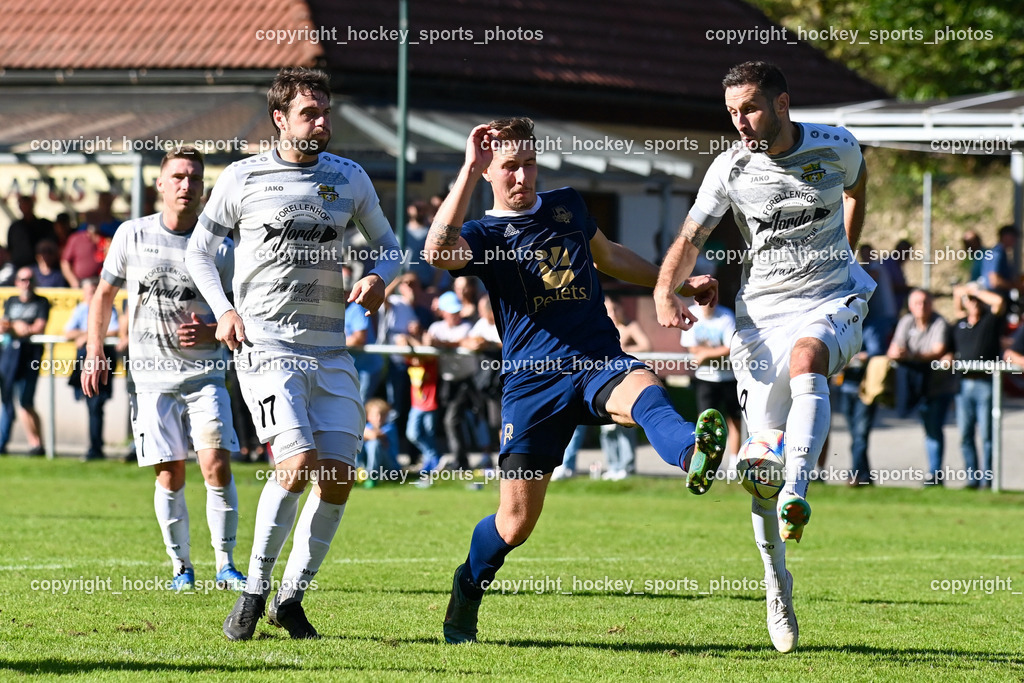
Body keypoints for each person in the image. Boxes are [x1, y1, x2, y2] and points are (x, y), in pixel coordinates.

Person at [424, 117, 725, 645]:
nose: (522, 177)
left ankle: (692, 451)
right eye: (509, 168)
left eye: (529, 164)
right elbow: (438, 254)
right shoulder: (484, 234)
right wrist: (467, 171)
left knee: (645, 387)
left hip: (595, 359)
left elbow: (609, 258)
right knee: (514, 525)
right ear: (491, 173)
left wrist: (673, 281)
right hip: (532, 386)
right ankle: (467, 586)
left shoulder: (568, 205)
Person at [654, 61, 873, 653]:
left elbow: (857, 187)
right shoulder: (730, 168)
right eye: (731, 112)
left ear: (782, 103)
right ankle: (777, 587)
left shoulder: (836, 146)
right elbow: (690, 238)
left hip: (832, 299)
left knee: (809, 360)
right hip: (758, 320)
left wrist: (846, 249)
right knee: (758, 473)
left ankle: (799, 489)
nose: (740, 122)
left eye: (749, 108)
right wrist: (662, 290)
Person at [186, 67, 403, 640]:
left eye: (326, 111)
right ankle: (253, 591)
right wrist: (225, 309)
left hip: (330, 350)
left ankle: (291, 598)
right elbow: (199, 253)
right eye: (310, 112)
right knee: (297, 464)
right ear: (279, 119)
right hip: (267, 345)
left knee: (338, 477)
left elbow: (390, 246)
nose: (322, 122)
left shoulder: (350, 177)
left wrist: (381, 277)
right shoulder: (243, 177)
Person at [82, 147, 245, 593]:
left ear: (203, 187)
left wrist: (212, 332)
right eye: (177, 177)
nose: (185, 185)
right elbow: (102, 296)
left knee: (215, 465)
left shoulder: (221, 246)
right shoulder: (131, 235)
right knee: (170, 473)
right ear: (160, 184)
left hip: (205, 376)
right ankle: (181, 568)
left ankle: (227, 565)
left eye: (193, 178)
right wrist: (96, 349)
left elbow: (241, 313)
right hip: (150, 380)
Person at [837, 244, 898, 486]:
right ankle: (865, 475)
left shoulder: (872, 326)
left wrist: (854, 357)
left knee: (860, 434)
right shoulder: (845, 323)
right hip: (847, 385)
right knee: (854, 434)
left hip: (865, 387)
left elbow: (875, 354)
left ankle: (858, 475)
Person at [886, 289, 956, 486]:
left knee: (934, 429)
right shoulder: (906, 322)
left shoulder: (939, 322)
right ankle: (934, 474)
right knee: (929, 429)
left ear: (931, 304)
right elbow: (894, 349)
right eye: (917, 303)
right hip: (915, 385)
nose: (921, 307)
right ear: (910, 305)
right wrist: (899, 353)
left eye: (925, 302)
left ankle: (935, 475)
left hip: (938, 386)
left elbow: (937, 350)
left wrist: (909, 354)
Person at [950, 283, 1005, 489]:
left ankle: (988, 479)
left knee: (987, 436)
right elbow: (957, 298)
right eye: (969, 301)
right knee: (965, 434)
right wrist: (963, 293)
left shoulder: (989, 322)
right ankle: (972, 479)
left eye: (975, 301)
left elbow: (998, 302)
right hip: (964, 385)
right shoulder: (961, 323)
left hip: (985, 384)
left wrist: (975, 291)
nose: (972, 303)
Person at [678, 300, 743, 466]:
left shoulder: (726, 316)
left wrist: (706, 354)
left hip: (728, 377)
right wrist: (716, 351)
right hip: (705, 379)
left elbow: (730, 347)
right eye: (702, 300)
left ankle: (734, 464)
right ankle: (705, 462)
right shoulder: (691, 314)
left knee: (734, 421)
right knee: (705, 423)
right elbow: (692, 347)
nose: (706, 304)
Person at [65, 277, 118, 461]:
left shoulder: (108, 308)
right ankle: (95, 446)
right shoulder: (80, 309)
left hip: (103, 361)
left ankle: (96, 448)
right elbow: (68, 332)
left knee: (96, 405)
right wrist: (86, 335)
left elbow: (114, 330)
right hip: (83, 362)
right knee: (90, 405)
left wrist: (88, 336)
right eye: (89, 291)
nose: (92, 294)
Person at [426, 290, 478, 471]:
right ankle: (457, 460)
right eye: (451, 311)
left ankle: (461, 462)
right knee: (450, 422)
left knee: (452, 420)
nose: (455, 315)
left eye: (457, 311)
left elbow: (464, 341)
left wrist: (440, 344)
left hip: (466, 382)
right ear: (442, 312)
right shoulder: (436, 328)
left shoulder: (467, 327)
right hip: (445, 382)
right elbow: (429, 342)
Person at [0, 267, 50, 455]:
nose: (26, 283)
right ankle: (3, 442)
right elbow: (4, 324)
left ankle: (36, 443)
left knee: (25, 402)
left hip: (30, 357)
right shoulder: (11, 301)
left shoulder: (41, 302)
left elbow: (39, 326)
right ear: (16, 282)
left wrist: (21, 327)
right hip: (9, 356)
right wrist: (15, 325)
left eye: (29, 279)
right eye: (22, 279)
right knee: (6, 402)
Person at [7, 195, 56, 269]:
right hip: (19, 267)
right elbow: (10, 249)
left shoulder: (44, 225)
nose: (25, 207)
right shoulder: (15, 227)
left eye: (27, 204)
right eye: (23, 205)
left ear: (32, 205)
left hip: (42, 268)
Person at [360, 397, 399, 485]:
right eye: (376, 415)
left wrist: (361, 432)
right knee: (357, 443)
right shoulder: (367, 427)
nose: (379, 418)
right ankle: (355, 472)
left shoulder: (390, 427)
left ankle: (372, 476)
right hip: (370, 462)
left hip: (389, 468)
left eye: (383, 414)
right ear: (368, 416)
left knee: (374, 443)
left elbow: (374, 435)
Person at [980, 224, 1018, 308]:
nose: (1015, 240)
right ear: (1005, 236)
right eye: (1013, 237)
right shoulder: (997, 253)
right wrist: (1015, 286)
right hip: (995, 298)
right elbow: (994, 281)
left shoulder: (998, 252)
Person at [61, 223, 108, 289]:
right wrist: (73, 282)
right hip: (83, 283)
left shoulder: (106, 239)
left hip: (103, 281)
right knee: (88, 287)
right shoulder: (76, 239)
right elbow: (65, 262)